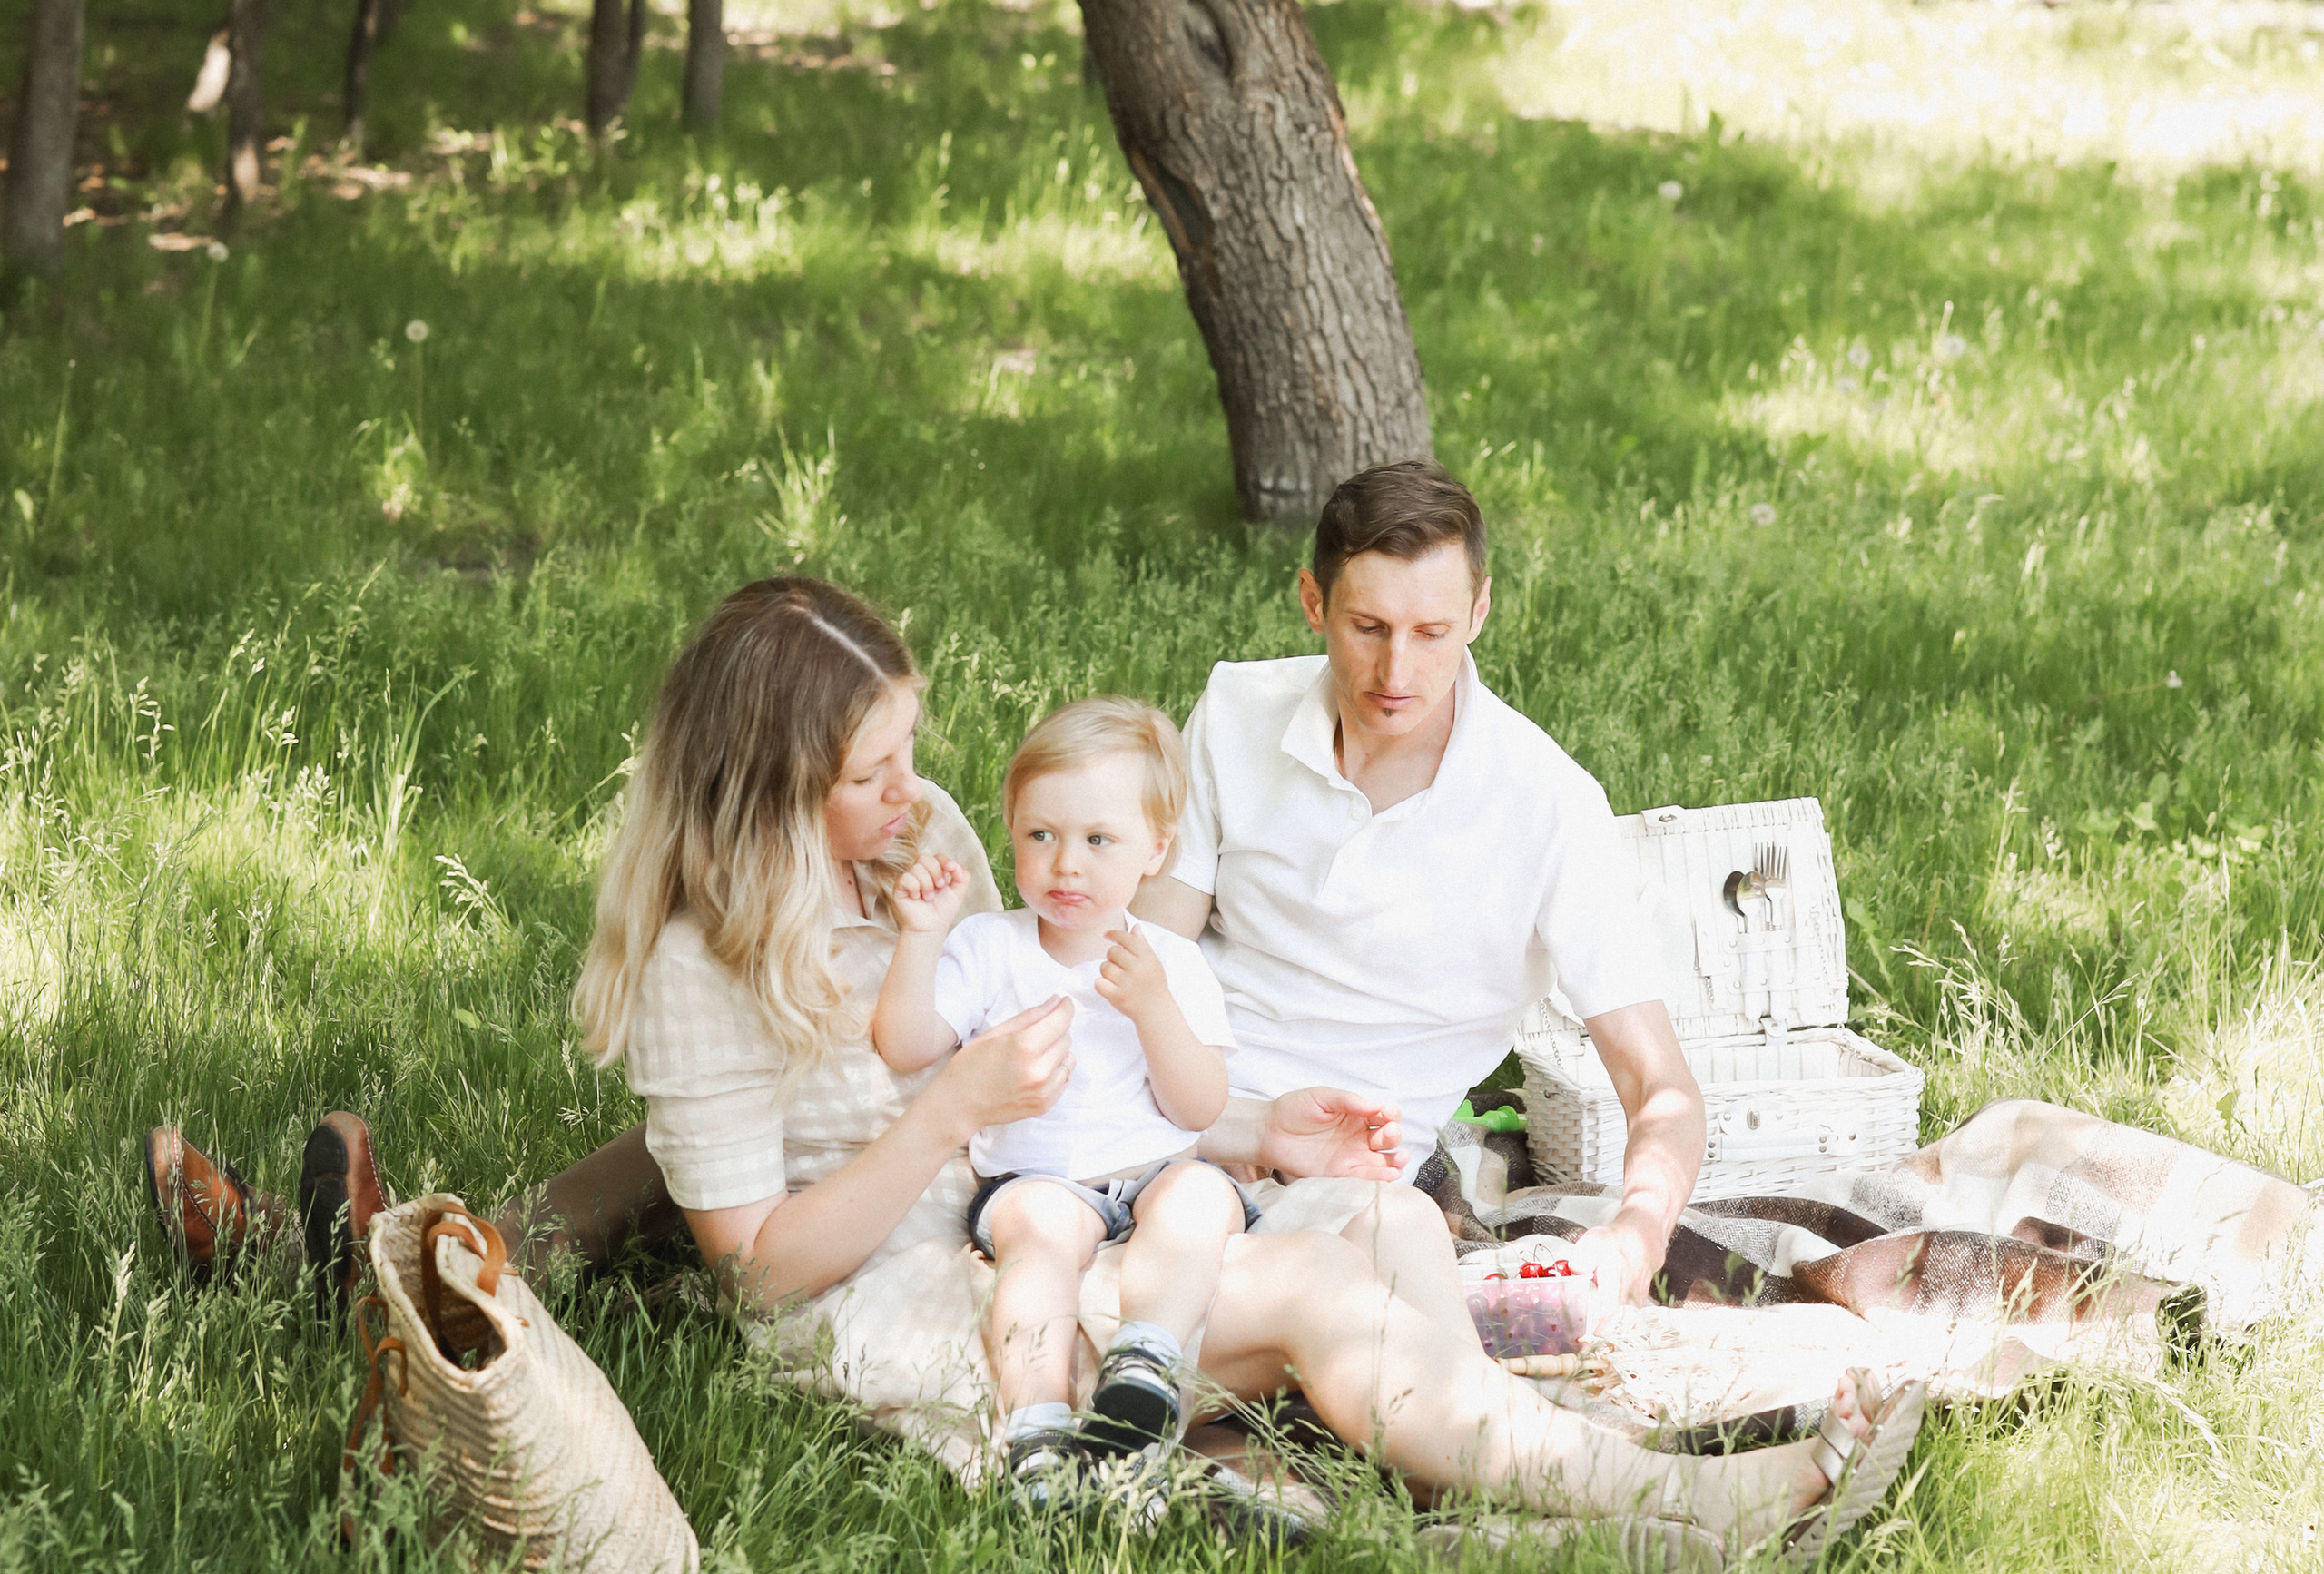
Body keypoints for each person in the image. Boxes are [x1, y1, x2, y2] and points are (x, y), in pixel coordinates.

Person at [146, 574, 1923, 1562]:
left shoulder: (910, 841)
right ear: (767, 778)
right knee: (1312, 1296)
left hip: (1011, 1192)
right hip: (883, 1292)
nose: (918, 787)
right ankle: (1684, 1513)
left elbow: (1043, 1054)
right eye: (875, 759)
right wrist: (941, 1115)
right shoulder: (701, 965)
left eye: (915, 746)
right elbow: (757, 1256)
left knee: (1363, 1211)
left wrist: (1237, 1111)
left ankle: (397, 1256)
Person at [1135, 458, 1708, 1328]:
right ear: (1312, 602)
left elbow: (1659, 1082)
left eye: (1433, 633)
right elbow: (1148, 958)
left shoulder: (1548, 803)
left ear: (1479, 612)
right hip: (1183, 1110)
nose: (1395, 669)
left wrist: (1637, 1230)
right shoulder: (1235, 711)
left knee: (1303, 1319)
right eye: (1368, 626)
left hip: (1349, 1180)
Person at [872, 697, 1255, 1491]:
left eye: (1097, 840)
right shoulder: (989, 946)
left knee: (1201, 1197)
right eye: (1040, 835)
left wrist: (1153, 1008)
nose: (1066, 864)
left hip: (1151, 1174)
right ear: (1011, 829)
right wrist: (920, 937)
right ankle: (1036, 1426)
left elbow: (1200, 1107)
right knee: (1040, 1236)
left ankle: (1143, 1366)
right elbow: (906, 1044)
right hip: (1035, 1180)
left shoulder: (1172, 963)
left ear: (1156, 849)